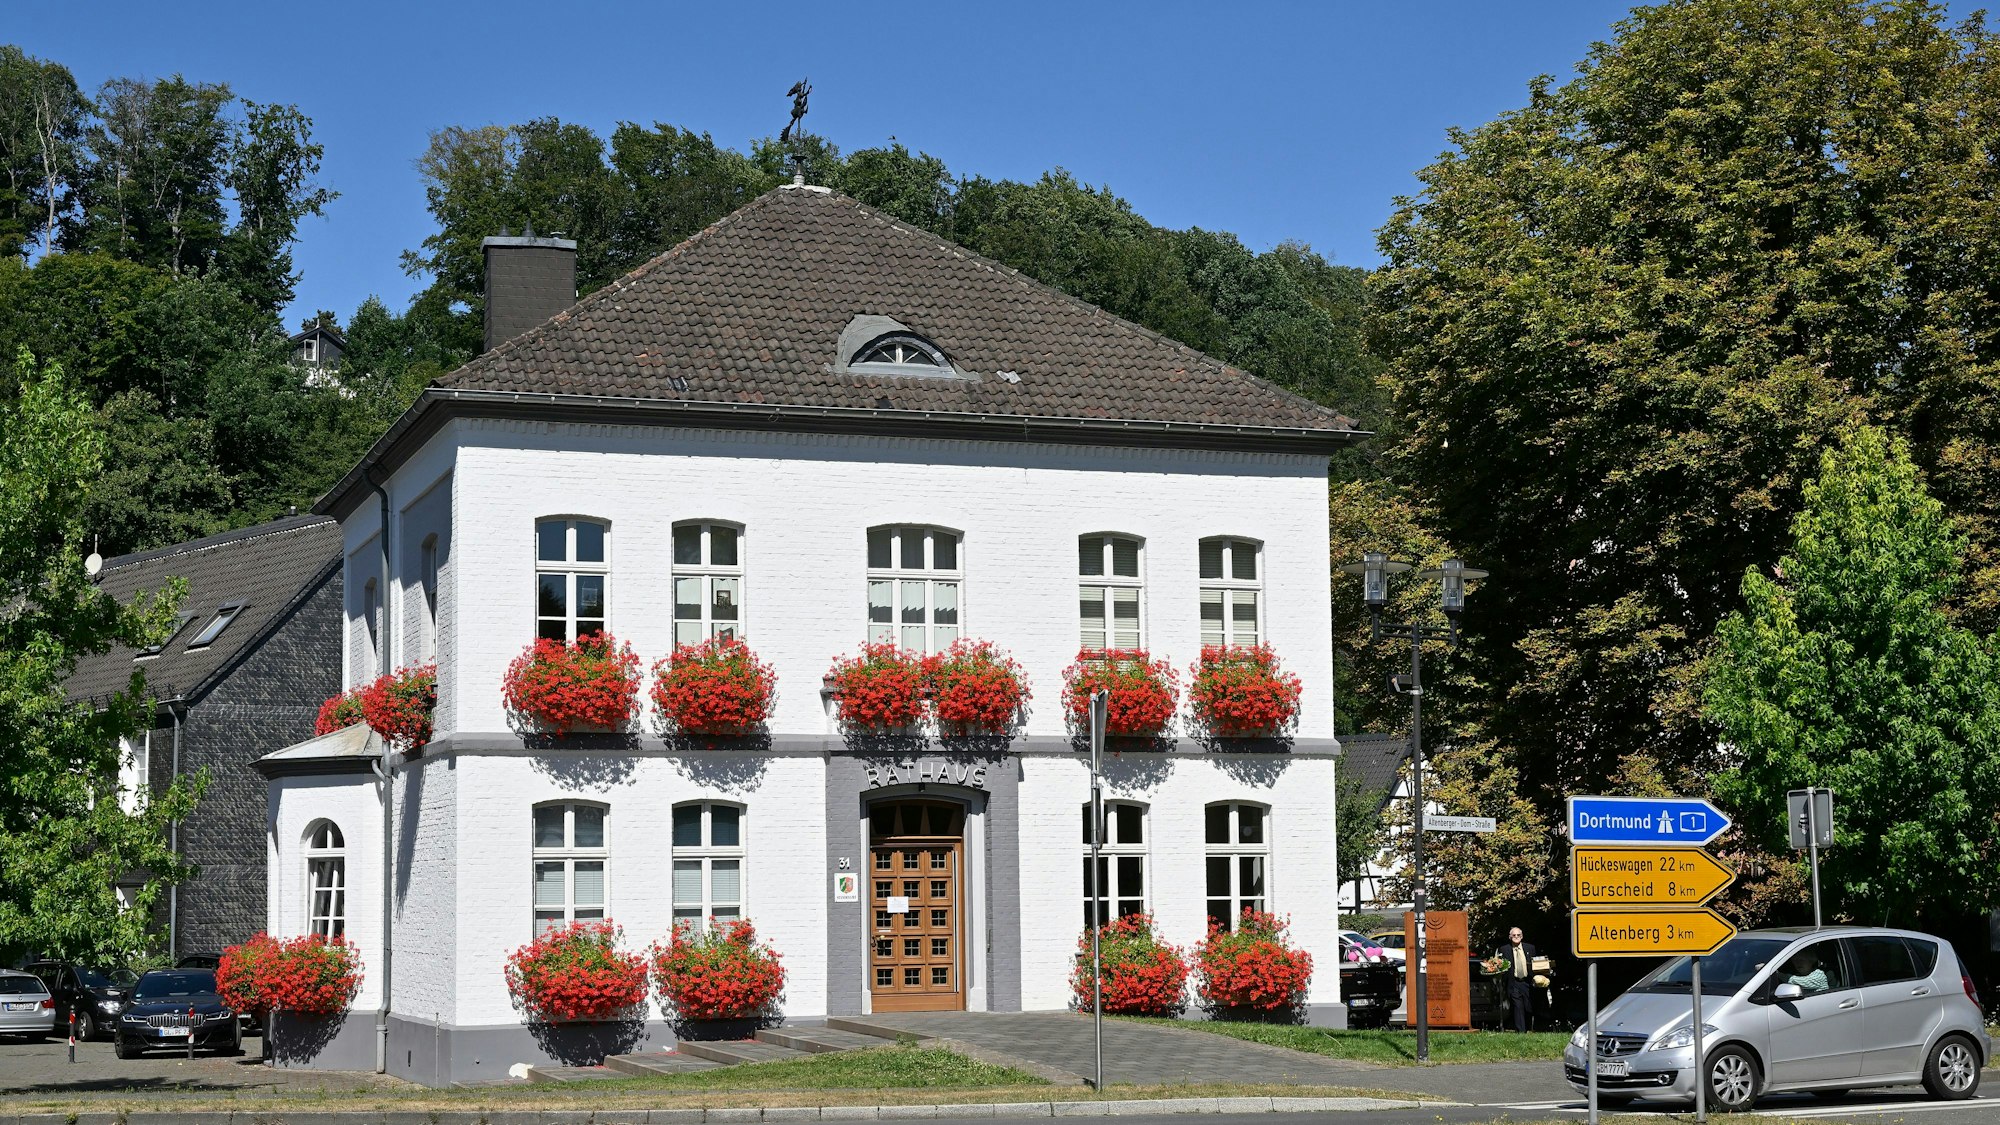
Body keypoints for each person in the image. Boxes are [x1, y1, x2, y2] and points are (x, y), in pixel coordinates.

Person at [1495, 926, 1538, 1032]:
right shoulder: (1504, 949)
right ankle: (1521, 1031)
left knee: (1528, 1007)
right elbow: (1499, 964)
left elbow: (1535, 964)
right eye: (1513, 935)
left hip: (1527, 982)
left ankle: (1528, 1028)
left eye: (1518, 935)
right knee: (1518, 1007)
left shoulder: (1530, 948)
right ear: (1510, 937)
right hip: (1513, 982)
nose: (1516, 937)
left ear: (1522, 936)